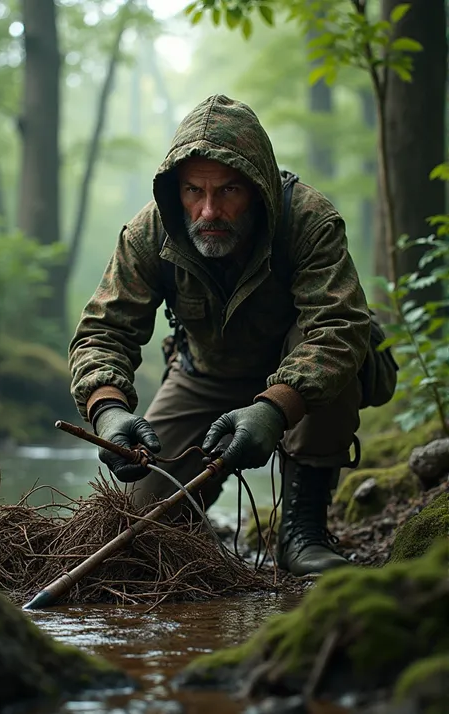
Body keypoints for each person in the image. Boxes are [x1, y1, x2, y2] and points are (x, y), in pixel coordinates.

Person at [69, 94, 376, 577]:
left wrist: (275, 406)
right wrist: (107, 410)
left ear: (259, 188)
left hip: (298, 375)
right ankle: (192, 528)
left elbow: (339, 328)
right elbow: (104, 330)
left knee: (330, 350)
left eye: (229, 191)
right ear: (176, 191)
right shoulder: (150, 232)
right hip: (204, 374)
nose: (208, 210)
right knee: (136, 530)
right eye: (194, 191)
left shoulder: (308, 221)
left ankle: (303, 531)